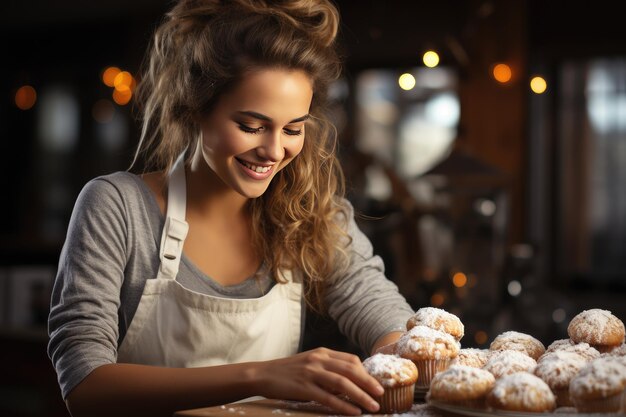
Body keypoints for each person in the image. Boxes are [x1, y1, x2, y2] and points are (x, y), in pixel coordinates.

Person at [47, 1, 414, 416]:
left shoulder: (313, 215)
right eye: (251, 126)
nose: (274, 151)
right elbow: (84, 385)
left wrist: (402, 351)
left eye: (293, 128)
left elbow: (382, 313)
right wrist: (260, 375)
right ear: (196, 109)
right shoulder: (117, 207)